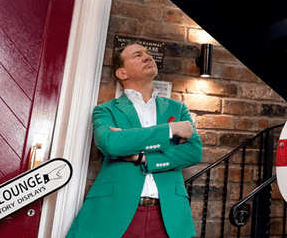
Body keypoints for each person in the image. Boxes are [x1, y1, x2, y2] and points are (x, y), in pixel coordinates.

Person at [66, 43, 203, 238]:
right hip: (115, 215)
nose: (147, 57)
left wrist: (144, 158)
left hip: (169, 216)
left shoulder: (177, 109)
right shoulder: (106, 110)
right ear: (122, 73)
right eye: (137, 55)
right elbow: (112, 144)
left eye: (148, 53)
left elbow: (193, 152)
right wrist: (170, 130)